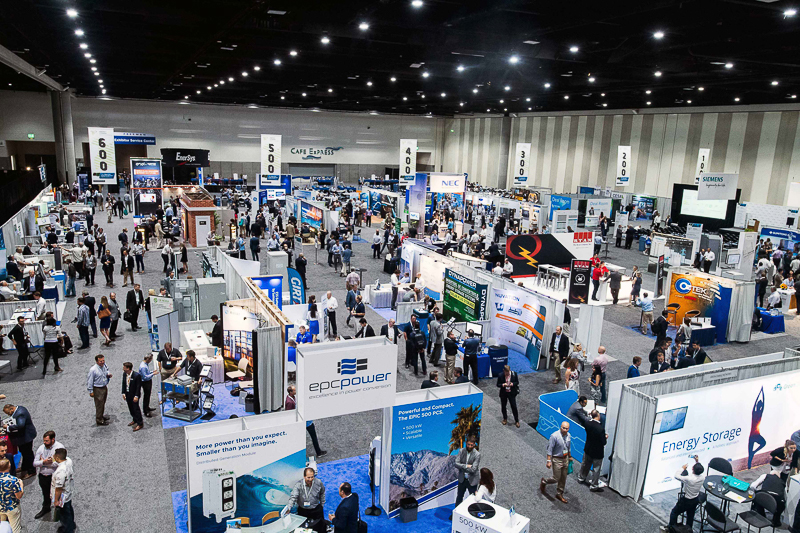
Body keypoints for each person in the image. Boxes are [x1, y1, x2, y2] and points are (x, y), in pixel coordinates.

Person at [285, 386, 327, 457]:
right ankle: (318, 452)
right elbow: (290, 414)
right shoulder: (290, 402)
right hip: (306, 423)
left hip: (304, 421)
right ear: (290, 392)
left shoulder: (291, 398)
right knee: (313, 437)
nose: (296, 391)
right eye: (294, 391)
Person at [282, 468, 327, 533]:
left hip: (316, 509)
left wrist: (322, 505)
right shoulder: (298, 485)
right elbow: (293, 497)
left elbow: (322, 493)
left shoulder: (318, 482)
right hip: (303, 511)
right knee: (303, 529)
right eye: (308, 477)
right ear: (304, 476)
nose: (310, 479)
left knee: (320, 527)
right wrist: (289, 507)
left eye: (312, 477)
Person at [32, 430, 63, 520]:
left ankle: (61, 512)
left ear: (53, 440)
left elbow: (60, 464)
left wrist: (44, 463)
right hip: (43, 476)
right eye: (44, 441)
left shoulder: (59, 448)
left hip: (54, 476)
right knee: (45, 494)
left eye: (47, 441)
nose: (44, 443)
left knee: (58, 494)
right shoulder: (41, 448)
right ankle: (46, 508)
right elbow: (35, 463)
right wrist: (44, 462)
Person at [667, 456, 705, 529]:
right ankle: (688, 530)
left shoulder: (689, 479)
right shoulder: (702, 477)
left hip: (686, 500)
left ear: (692, 469)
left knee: (674, 512)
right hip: (695, 499)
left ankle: (671, 528)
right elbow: (699, 469)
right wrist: (697, 461)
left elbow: (676, 476)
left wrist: (682, 468)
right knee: (690, 516)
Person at [540, 421, 573, 504]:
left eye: (567, 428)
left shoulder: (569, 435)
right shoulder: (554, 436)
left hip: (565, 459)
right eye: (563, 428)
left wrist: (570, 456)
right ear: (560, 427)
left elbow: (568, 447)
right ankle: (544, 481)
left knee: (563, 478)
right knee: (556, 478)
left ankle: (559, 493)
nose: (565, 430)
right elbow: (549, 449)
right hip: (557, 459)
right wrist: (548, 461)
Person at [2, 404, 36, 479]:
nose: (8, 414)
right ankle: (24, 467)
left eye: (8, 413)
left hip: (26, 438)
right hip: (24, 437)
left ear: (11, 409)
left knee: (28, 454)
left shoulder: (20, 414)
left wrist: (8, 427)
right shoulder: (20, 408)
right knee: (24, 452)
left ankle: (32, 471)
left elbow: (20, 426)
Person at [578, 410, 607, 492]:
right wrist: (605, 437)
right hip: (597, 452)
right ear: (598, 416)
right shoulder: (600, 429)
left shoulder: (587, 423)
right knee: (596, 469)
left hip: (588, 449)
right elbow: (603, 442)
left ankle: (581, 478)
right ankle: (594, 485)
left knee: (585, 465)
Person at [50, 447, 75, 533]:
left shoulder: (61, 472)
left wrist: (56, 500)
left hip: (62, 497)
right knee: (69, 510)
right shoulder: (68, 461)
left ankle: (68, 529)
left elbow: (59, 488)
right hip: (68, 492)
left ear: (57, 458)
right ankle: (72, 524)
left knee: (64, 514)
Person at [454, 436, 481, 511]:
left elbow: (473, 469)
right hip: (462, 479)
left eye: (471, 445)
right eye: (468, 444)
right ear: (466, 443)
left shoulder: (477, 454)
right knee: (459, 497)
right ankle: (456, 513)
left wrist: (461, 466)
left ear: (474, 444)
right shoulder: (461, 451)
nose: (469, 446)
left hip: (472, 480)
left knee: (473, 498)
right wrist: (466, 466)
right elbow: (456, 464)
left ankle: (473, 513)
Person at [87, 354, 112, 426]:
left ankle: (101, 415)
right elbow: (90, 381)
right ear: (97, 361)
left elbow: (107, 370)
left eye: (103, 360)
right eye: (100, 361)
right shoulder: (93, 370)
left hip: (104, 386)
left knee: (102, 403)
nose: (102, 362)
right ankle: (99, 420)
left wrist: (108, 374)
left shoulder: (104, 365)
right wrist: (91, 391)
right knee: (99, 404)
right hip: (98, 389)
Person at [0, 459, 22, 532]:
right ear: (9, 466)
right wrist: (21, 485)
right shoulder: (13, 480)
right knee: (15, 529)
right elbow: (18, 496)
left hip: (0, 508)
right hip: (12, 508)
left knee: (1, 528)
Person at [121, 362, 143, 431]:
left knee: (136, 409)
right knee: (130, 408)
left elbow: (138, 387)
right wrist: (123, 393)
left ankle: (140, 423)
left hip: (134, 395)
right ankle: (134, 419)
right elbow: (124, 383)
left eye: (124, 367)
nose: (123, 369)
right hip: (128, 394)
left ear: (128, 368)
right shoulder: (125, 374)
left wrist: (136, 396)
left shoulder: (137, 375)